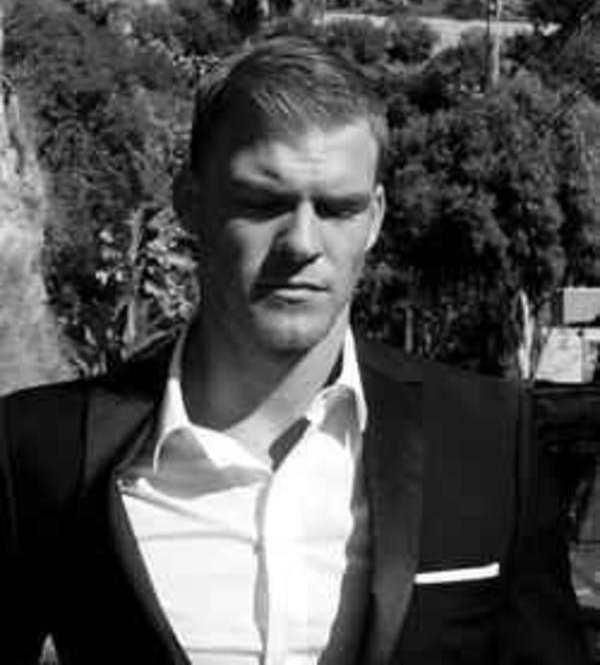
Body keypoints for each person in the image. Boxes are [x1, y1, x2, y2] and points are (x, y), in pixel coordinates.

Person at [0, 35, 589, 665]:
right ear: (190, 203)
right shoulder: (37, 451)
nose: (302, 243)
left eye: (338, 208)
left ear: (375, 218)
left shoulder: (488, 441)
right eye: (263, 203)